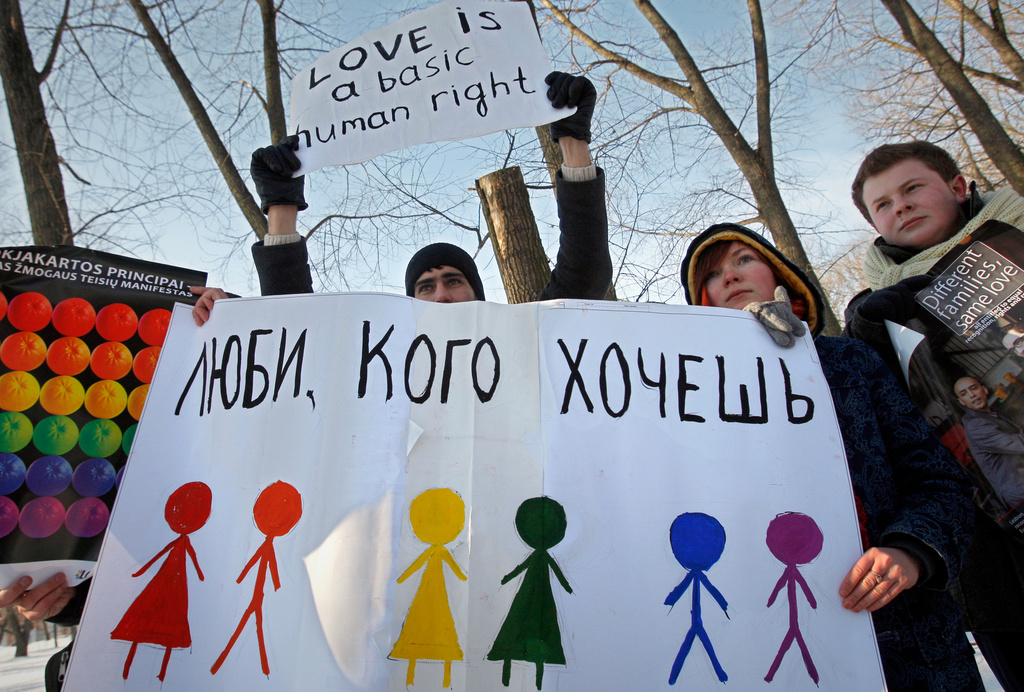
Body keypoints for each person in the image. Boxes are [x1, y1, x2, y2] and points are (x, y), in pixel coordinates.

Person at [680, 223, 983, 691]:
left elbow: (938, 479)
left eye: (743, 260)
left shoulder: (852, 361)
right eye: (713, 274)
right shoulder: (688, 398)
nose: (730, 277)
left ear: (780, 275)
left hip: (904, 630)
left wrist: (911, 550)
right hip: (762, 637)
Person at [192, 71, 611, 324]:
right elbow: (301, 333)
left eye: (453, 281)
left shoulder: (524, 341)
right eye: (426, 288)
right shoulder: (377, 369)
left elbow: (584, 278)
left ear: (479, 295)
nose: (442, 295)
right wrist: (281, 210)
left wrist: (574, 145)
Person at [844, 140, 1024, 692]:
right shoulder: (875, 312)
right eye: (883, 204)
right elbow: (894, 441)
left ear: (959, 186)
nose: (900, 205)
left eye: (912, 188)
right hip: (997, 555)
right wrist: (869, 339)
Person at [954, 376, 1024, 512]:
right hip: (1019, 491)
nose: (972, 394)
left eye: (973, 388)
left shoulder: (989, 415)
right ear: (962, 402)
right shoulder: (976, 425)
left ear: (984, 390)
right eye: (964, 394)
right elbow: (1020, 444)